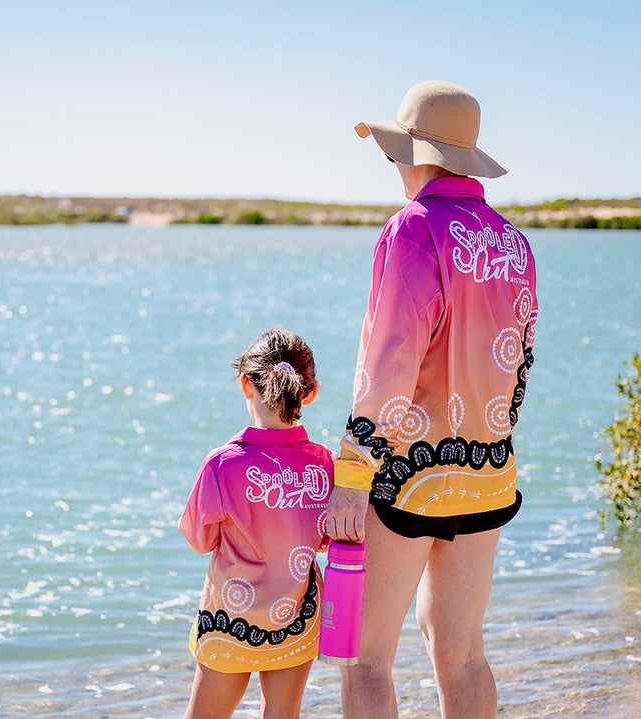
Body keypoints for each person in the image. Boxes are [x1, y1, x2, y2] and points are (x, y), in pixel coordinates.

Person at [325, 81, 538, 719]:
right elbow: (517, 363)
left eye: (397, 152)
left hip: (409, 476)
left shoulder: (412, 230)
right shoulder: (513, 243)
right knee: (463, 654)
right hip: (489, 474)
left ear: (419, 154)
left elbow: (388, 365)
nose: (394, 165)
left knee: (366, 661)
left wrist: (351, 475)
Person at [180, 328, 334, 719]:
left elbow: (200, 540)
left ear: (247, 385)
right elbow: (325, 542)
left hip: (230, 621)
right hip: (295, 617)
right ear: (310, 392)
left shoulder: (222, 464)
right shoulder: (325, 464)